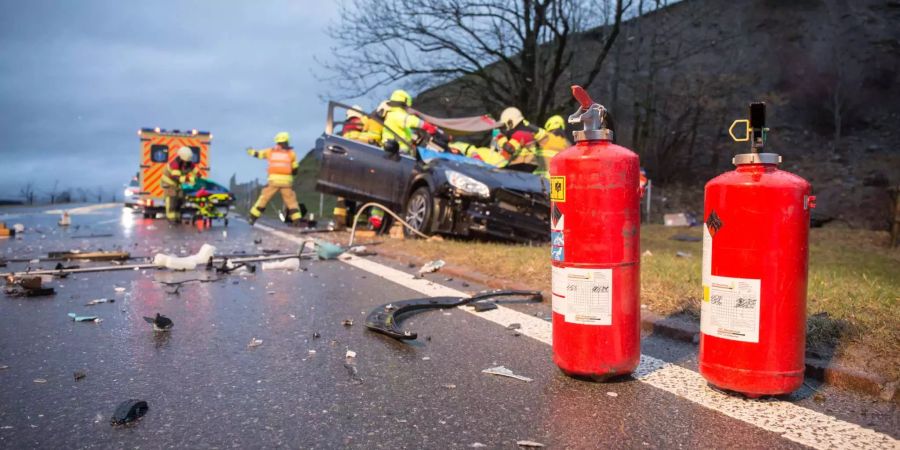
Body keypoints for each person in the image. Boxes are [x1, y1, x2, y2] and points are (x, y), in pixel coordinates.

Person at [245, 132, 302, 226]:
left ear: (277, 142)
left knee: (263, 199)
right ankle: (297, 221)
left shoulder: (270, 152)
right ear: (287, 141)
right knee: (291, 202)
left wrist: (250, 151)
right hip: (287, 182)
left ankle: (252, 218)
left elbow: (259, 154)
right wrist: (292, 178)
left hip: (273, 181)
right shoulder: (291, 154)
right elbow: (295, 168)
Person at [160, 146, 198, 223]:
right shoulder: (175, 164)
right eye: (185, 161)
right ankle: (171, 218)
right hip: (169, 183)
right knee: (172, 199)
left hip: (177, 184)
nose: (186, 163)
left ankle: (177, 216)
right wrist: (190, 179)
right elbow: (176, 178)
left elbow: (197, 173)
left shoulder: (189, 163)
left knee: (180, 198)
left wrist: (202, 180)